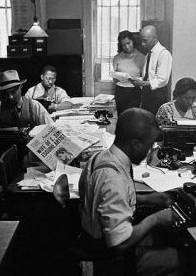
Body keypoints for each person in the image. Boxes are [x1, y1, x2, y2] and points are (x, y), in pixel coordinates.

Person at [78, 108, 183, 276]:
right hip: (110, 260)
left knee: (161, 237)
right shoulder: (114, 179)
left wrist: (146, 199)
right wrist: (156, 218)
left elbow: (102, 200)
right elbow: (119, 243)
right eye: (149, 145)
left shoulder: (99, 157)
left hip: (90, 239)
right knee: (185, 258)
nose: (150, 151)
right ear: (135, 144)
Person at [129, 25, 172, 115]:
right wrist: (137, 80)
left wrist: (143, 83)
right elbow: (148, 76)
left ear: (154, 37)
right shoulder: (148, 54)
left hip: (157, 97)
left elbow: (162, 80)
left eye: (145, 40)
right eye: (142, 40)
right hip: (146, 95)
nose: (143, 44)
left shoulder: (164, 54)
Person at [112, 30, 145, 116]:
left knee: (134, 117)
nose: (126, 47)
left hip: (134, 91)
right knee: (122, 117)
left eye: (128, 43)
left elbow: (145, 77)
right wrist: (115, 77)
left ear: (133, 41)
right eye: (123, 45)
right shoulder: (117, 58)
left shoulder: (142, 57)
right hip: (120, 91)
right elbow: (115, 78)